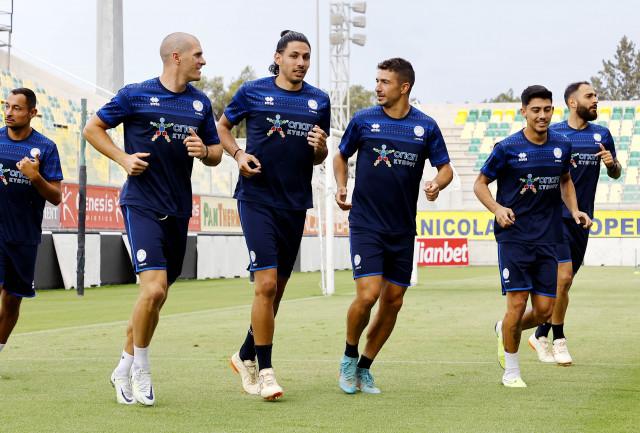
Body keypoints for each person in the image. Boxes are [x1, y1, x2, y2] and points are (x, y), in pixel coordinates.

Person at [83, 32, 222, 405]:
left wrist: (204, 150)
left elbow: (216, 153)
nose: (203, 61)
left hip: (179, 209)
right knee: (154, 289)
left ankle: (122, 367)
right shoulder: (135, 94)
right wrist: (123, 159)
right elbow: (92, 129)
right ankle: (141, 368)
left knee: (155, 298)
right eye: (198, 54)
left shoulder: (200, 103)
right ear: (176, 57)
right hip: (141, 203)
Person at [217, 30, 330, 401]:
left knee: (276, 291)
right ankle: (264, 371)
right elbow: (221, 127)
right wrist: (238, 155)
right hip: (256, 199)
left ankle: (245, 354)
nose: (301, 63)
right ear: (278, 57)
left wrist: (321, 147)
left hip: (295, 203)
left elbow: (318, 156)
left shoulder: (319, 100)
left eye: (306, 57)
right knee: (265, 286)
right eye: (294, 55)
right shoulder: (252, 91)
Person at [335, 58, 453, 395]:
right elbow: (341, 155)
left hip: (402, 228)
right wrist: (341, 185)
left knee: (394, 301)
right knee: (368, 294)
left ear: (404, 87)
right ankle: (348, 356)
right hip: (366, 223)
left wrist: (436, 184)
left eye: (384, 82)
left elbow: (446, 169)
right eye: (377, 80)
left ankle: (365, 367)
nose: (377, 87)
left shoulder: (426, 127)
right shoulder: (363, 120)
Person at [474, 85, 592, 388]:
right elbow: (480, 184)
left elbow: (566, 180)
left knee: (543, 312)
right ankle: (511, 371)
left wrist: (575, 210)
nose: (542, 115)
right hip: (514, 238)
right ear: (524, 111)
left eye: (547, 109)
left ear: (553, 110)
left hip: (549, 237)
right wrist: (497, 208)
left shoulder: (562, 145)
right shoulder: (507, 147)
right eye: (536, 110)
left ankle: (504, 328)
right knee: (516, 305)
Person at [529, 82, 621, 365]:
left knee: (565, 285)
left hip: (583, 221)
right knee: (564, 278)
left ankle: (538, 334)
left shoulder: (601, 134)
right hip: (555, 218)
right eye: (589, 96)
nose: (595, 100)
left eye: (596, 96)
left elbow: (616, 172)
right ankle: (558, 339)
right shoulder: (555, 134)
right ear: (572, 102)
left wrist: (611, 164)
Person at [0, 88, 63, 359]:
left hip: (23, 237)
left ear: (32, 112)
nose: (9, 112)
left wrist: (35, 177)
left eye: (16, 108)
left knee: (12, 302)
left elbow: (56, 197)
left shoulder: (46, 147)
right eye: (7, 106)